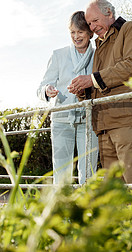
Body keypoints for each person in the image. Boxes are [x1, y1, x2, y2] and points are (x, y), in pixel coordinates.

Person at [68, 0, 132, 184]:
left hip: (128, 120)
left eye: (95, 20)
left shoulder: (131, 29)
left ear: (109, 13)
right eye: (89, 23)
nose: (92, 27)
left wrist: (90, 79)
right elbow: (99, 82)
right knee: (115, 192)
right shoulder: (100, 45)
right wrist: (81, 90)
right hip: (104, 126)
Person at [37, 11, 98, 185]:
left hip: (88, 120)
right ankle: (61, 210)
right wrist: (47, 90)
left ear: (90, 33)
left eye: (80, 32)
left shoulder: (98, 55)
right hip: (62, 120)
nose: (76, 37)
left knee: (88, 172)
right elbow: (41, 88)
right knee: (61, 173)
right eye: (72, 32)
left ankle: (87, 210)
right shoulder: (58, 55)